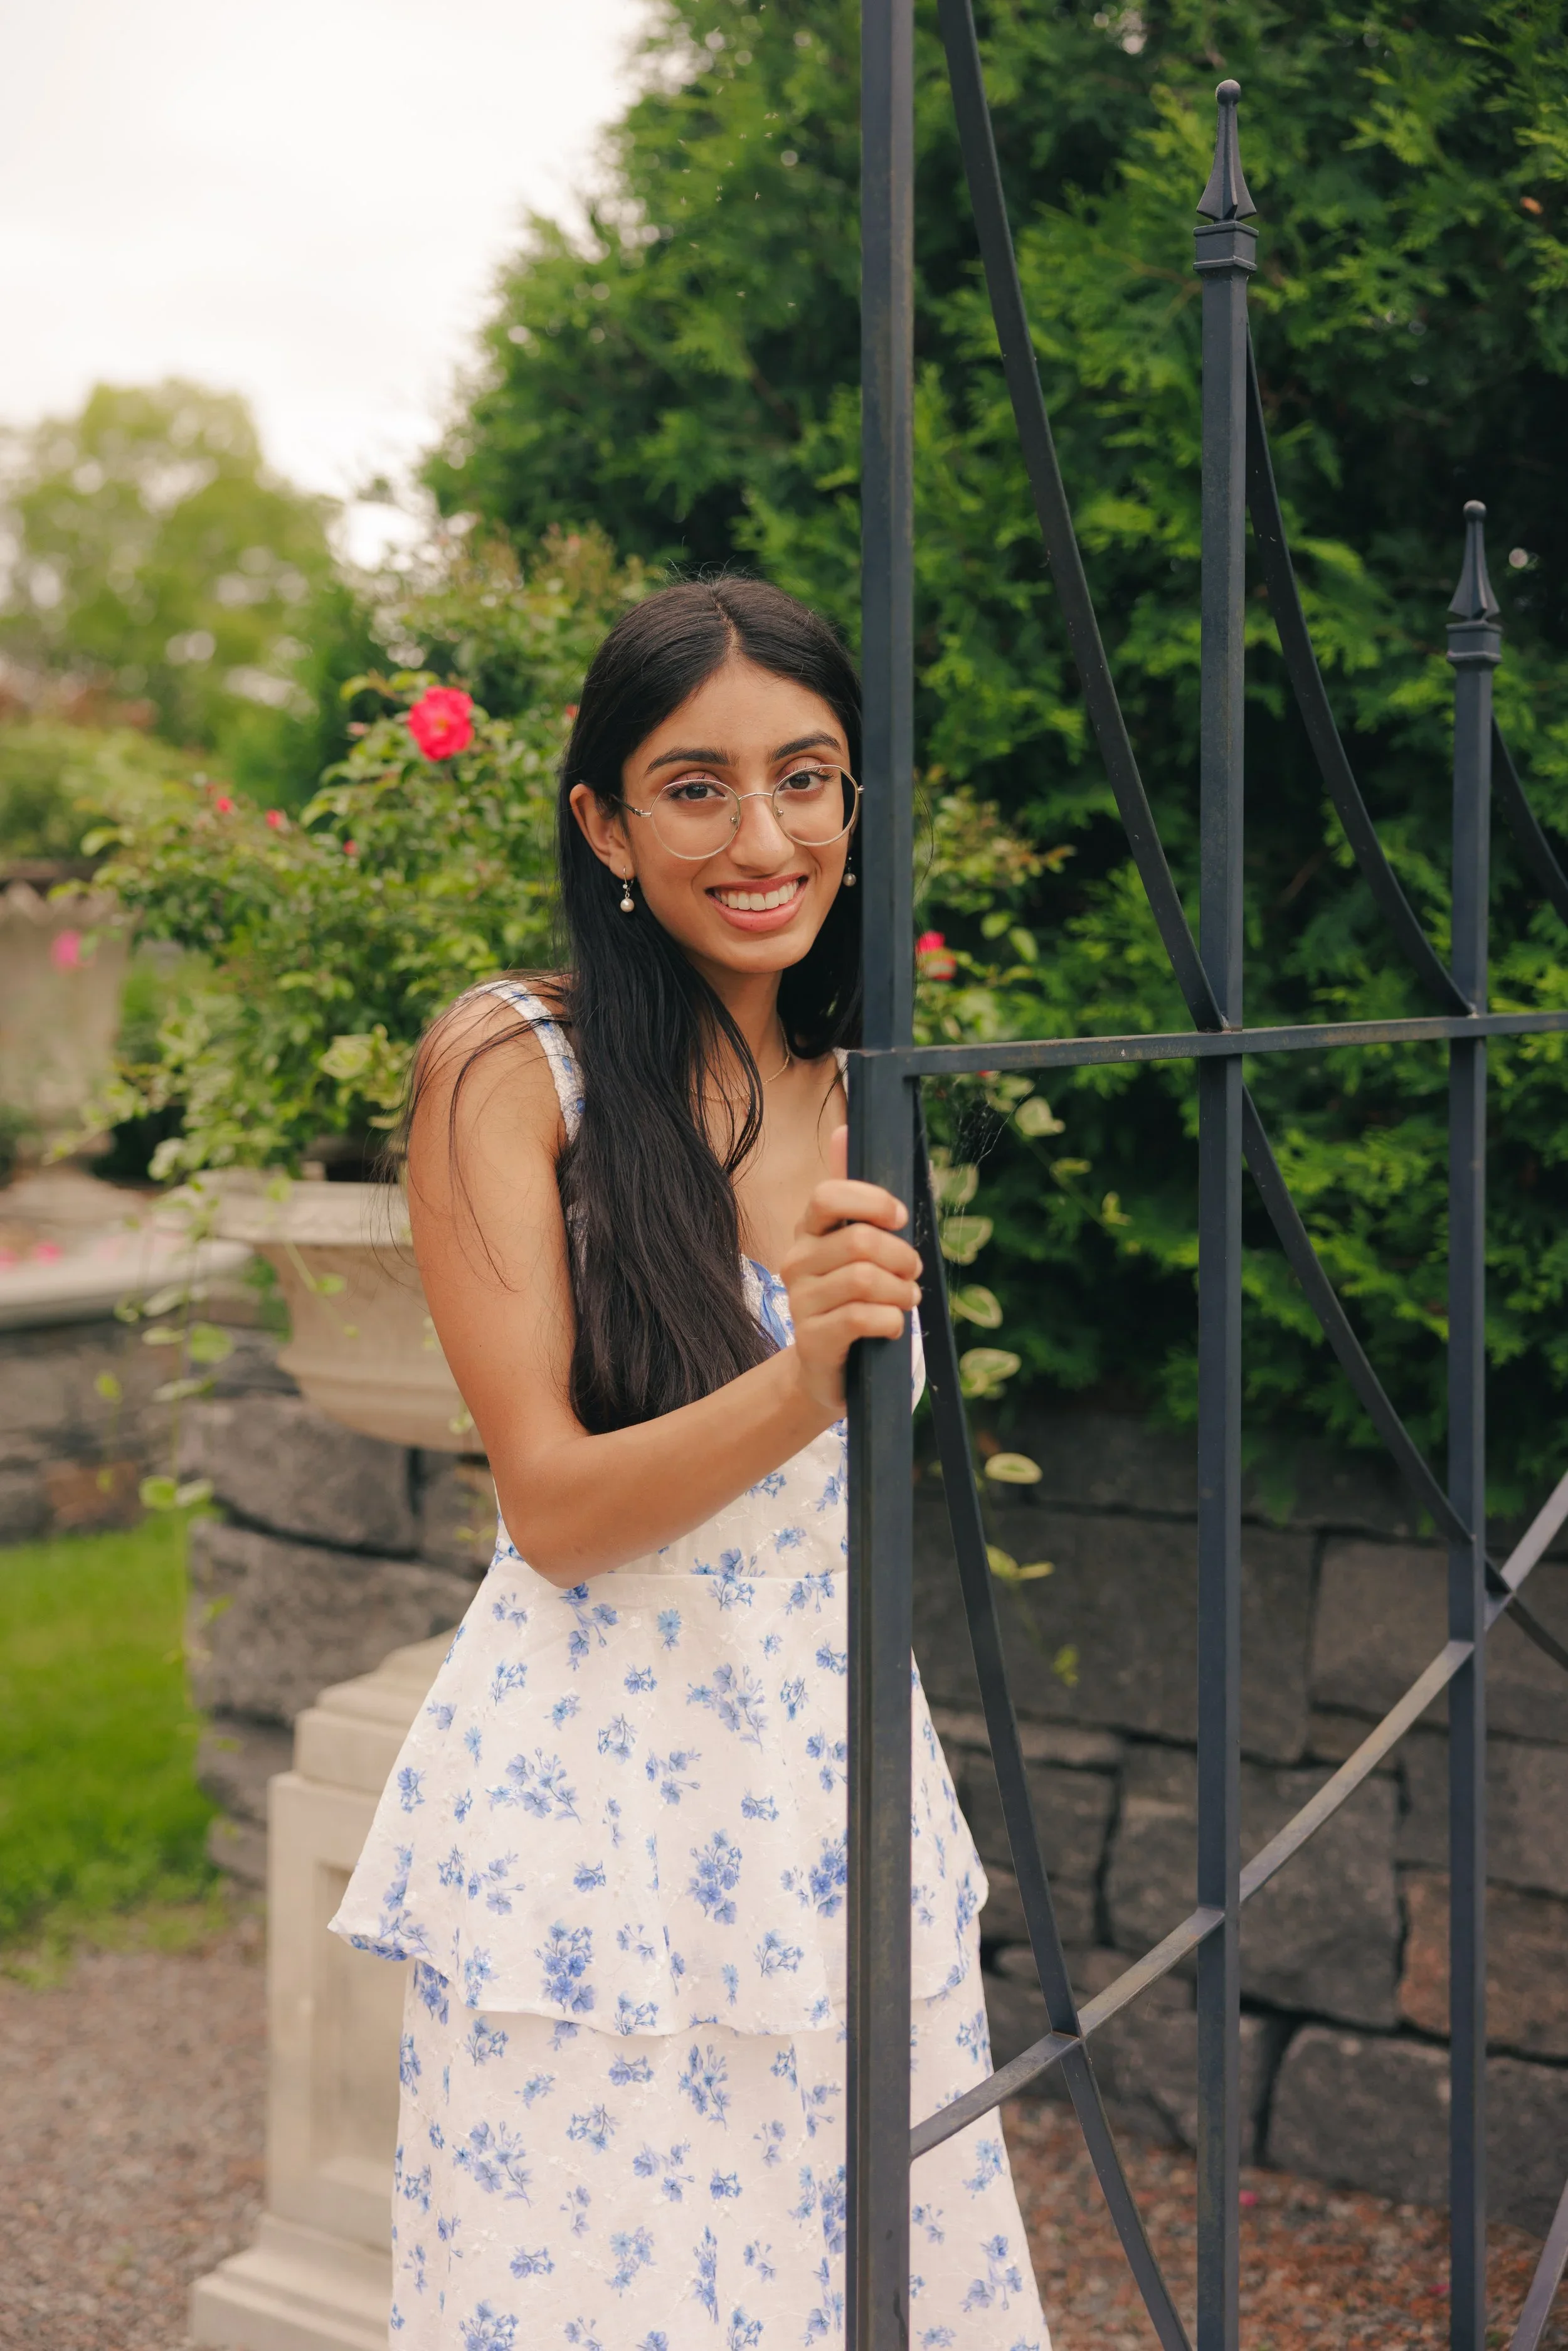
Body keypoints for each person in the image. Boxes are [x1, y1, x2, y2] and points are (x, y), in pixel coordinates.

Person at [330, 578, 1050, 2351]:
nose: (763, 836)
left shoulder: (861, 1076)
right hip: (599, 1826)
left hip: (829, 1788)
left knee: (865, 2297)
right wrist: (803, 1377)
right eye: (697, 785)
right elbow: (557, 1509)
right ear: (604, 821)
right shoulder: (519, 1067)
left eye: (805, 778)